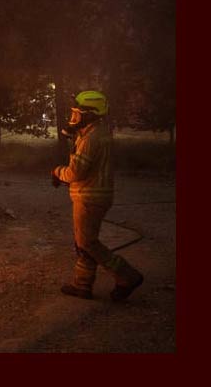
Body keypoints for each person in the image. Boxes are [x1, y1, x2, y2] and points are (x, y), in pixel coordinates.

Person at [51, 90, 144, 302]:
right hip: (93, 195)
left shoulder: (91, 138)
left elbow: (76, 172)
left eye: (77, 113)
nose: (73, 118)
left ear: (90, 114)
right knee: (83, 241)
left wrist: (57, 172)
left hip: (89, 197)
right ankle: (81, 284)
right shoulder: (96, 133)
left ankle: (127, 276)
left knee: (88, 242)